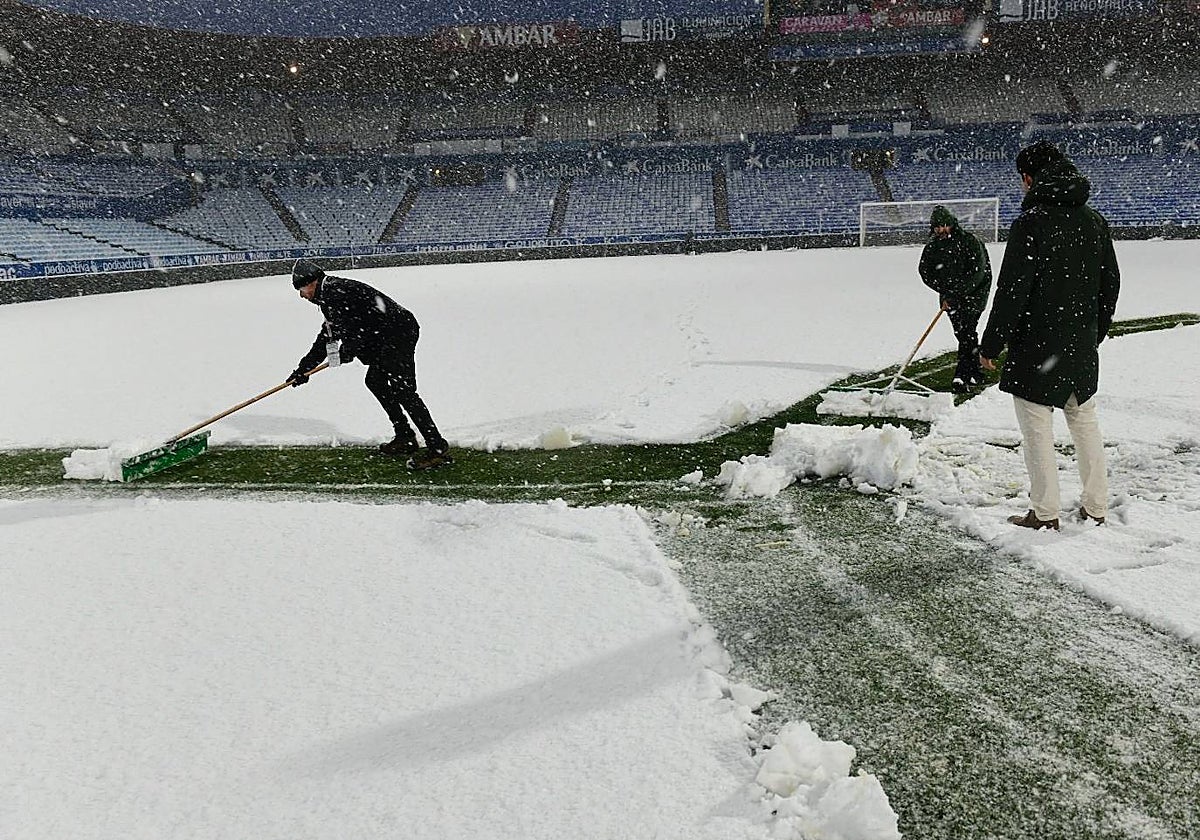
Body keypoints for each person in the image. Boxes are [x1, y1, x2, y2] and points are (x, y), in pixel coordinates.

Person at [979, 140, 1120, 530]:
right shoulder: (1094, 220)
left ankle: (1045, 514)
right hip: (1078, 342)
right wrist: (1092, 333)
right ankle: (1096, 507)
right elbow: (1110, 286)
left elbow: (1011, 293)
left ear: (1028, 178)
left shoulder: (1031, 224)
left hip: (1037, 345)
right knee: (1085, 421)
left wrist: (990, 345)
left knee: (1038, 430)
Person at [288, 259, 452, 471]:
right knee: (375, 381)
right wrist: (303, 370)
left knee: (403, 391)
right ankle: (405, 436)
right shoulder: (327, 298)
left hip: (398, 332)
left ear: (312, 282)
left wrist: (348, 350)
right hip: (383, 335)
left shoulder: (336, 292)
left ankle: (436, 447)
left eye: (301, 289)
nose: (302, 295)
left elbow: (358, 328)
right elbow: (328, 337)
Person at [918, 204, 992, 393]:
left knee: (966, 332)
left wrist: (958, 293)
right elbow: (925, 271)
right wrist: (944, 290)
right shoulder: (934, 246)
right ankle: (975, 371)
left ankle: (962, 375)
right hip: (949, 299)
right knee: (963, 333)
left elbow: (977, 273)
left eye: (944, 226)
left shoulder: (969, 242)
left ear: (952, 224)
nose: (941, 230)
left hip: (974, 296)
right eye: (937, 227)